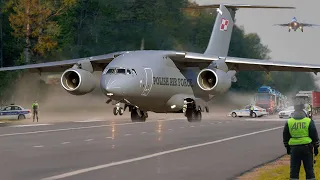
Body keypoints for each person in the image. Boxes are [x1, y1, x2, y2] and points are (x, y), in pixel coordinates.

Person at [283, 99, 319, 180]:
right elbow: (314, 136)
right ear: (303, 109)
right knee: (309, 170)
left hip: (294, 149)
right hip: (307, 148)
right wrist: (316, 148)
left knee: (294, 171)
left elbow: (285, 137)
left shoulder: (289, 122)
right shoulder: (308, 121)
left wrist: (288, 148)